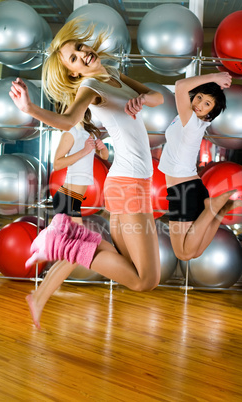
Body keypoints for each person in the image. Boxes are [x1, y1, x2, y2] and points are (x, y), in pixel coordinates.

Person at [9, 18, 164, 329]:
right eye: (74, 59)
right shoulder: (90, 86)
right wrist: (30, 110)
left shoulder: (113, 75)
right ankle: (67, 245)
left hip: (130, 179)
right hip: (128, 183)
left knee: (122, 255)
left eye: (80, 48)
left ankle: (70, 248)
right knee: (146, 280)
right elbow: (67, 121)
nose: (83, 55)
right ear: (74, 73)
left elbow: (159, 98)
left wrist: (143, 99)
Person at [158, 72, 242, 261]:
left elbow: (180, 85)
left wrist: (214, 77)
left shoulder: (191, 122)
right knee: (194, 252)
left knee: (184, 253)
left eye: (207, 104)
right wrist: (214, 86)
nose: (199, 104)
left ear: (209, 114)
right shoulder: (192, 120)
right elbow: (186, 92)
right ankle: (219, 209)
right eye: (199, 98)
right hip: (191, 189)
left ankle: (214, 208)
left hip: (183, 190)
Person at [52, 108, 109, 225]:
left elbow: (104, 157)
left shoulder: (88, 133)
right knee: (78, 239)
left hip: (74, 199)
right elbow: (57, 164)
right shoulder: (70, 132)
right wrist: (84, 151)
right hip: (67, 198)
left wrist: (103, 148)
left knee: (72, 240)